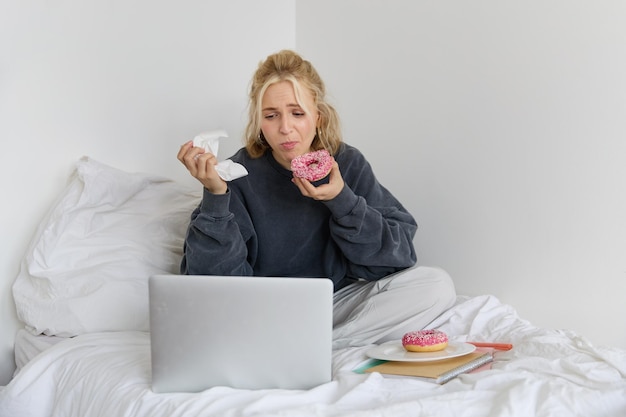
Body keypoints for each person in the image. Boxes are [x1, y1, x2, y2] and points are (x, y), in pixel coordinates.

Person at [177, 50, 456, 348]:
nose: (286, 128)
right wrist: (216, 195)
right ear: (259, 122)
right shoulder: (236, 174)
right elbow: (213, 285)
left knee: (436, 285)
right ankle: (299, 346)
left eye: (297, 113)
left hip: (334, 304)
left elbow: (397, 259)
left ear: (318, 117)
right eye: (271, 116)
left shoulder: (346, 163)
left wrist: (341, 200)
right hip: (265, 312)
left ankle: (313, 347)